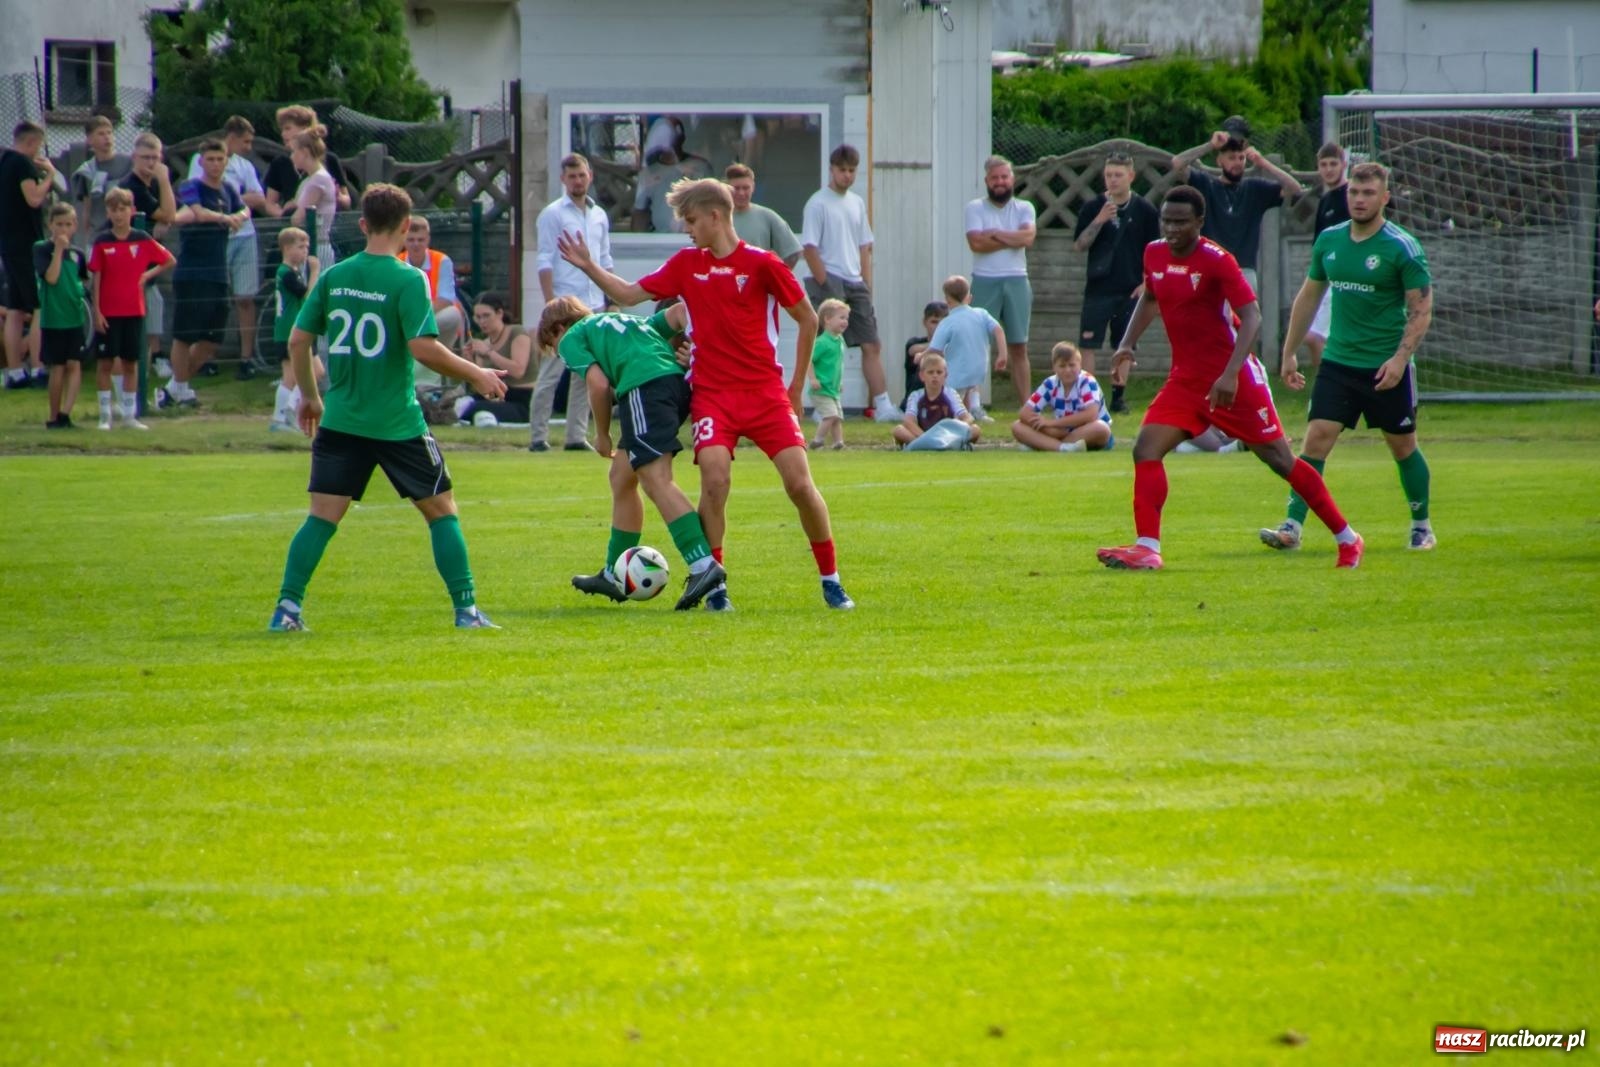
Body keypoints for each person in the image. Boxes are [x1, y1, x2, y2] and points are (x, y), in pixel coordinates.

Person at [559, 176, 856, 611]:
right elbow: (626, 294)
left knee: (799, 484)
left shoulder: (764, 264)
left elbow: (808, 319)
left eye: (692, 220)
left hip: (765, 393)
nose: (687, 229)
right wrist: (588, 265)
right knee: (714, 483)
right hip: (712, 394)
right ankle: (716, 588)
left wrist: (794, 387)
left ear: (716, 216)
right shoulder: (685, 264)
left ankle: (831, 580)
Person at [269, 183, 508, 633]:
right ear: (404, 228)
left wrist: (310, 396)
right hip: (397, 424)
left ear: (362, 225)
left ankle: (287, 610)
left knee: (321, 518)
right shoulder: (408, 278)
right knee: (442, 510)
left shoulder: (335, 276)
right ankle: (467, 611)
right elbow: (423, 348)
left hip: (340, 419)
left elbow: (298, 340)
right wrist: (476, 374)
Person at [1097, 185, 1364, 571]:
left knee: (1279, 459)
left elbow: (1251, 316)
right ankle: (1148, 548)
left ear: (1199, 223)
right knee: (1146, 449)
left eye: (1181, 222)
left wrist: (1229, 374)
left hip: (1236, 378)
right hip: (1186, 380)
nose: (1171, 229)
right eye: (1166, 220)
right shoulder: (1154, 252)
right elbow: (1151, 297)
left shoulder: (1218, 260)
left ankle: (1347, 537)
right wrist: (1126, 344)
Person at [1265, 161, 1436, 553]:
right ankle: (1292, 526)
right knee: (1316, 439)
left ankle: (1421, 525)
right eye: (1354, 193)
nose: (1359, 200)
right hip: (1338, 362)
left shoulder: (1401, 247)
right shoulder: (1329, 240)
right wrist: (1288, 352)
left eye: (1368, 193)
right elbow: (1308, 297)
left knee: (1402, 445)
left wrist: (1399, 360)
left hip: (1384, 366)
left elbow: (1421, 310)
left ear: (1385, 198)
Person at [538, 294, 726, 611]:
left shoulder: (572, 338)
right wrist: (696, 347)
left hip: (644, 389)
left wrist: (601, 435)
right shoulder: (628, 321)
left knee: (656, 478)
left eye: (552, 347)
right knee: (622, 476)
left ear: (557, 328)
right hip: (674, 386)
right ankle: (613, 574)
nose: (560, 354)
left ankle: (702, 565)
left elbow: (597, 386)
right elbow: (682, 310)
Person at [801, 144, 899, 422]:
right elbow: (809, 248)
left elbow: (864, 245)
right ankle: (824, 408)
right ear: (831, 169)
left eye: (851, 170)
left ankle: (883, 406)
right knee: (827, 344)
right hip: (829, 278)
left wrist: (866, 283)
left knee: (872, 343)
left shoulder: (856, 202)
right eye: (842, 170)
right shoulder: (817, 203)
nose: (847, 176)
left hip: (855, 281)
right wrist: (824, 281)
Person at [1169, 116, 1303, 292]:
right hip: (1210, 268)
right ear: (1220, 160)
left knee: (1245, 318)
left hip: (1243, 271)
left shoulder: (1255, 188)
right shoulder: (1206, 184)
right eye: (1232, 158)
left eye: (1241, 158)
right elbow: (1177, 163)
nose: (1237, 163)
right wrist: (1210, 145)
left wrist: (1263, 163)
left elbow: (1294, 188)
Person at [160, 139, 247, 409]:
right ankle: (182, 388)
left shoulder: (229, 189)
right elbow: (196, 212)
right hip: (191, 273)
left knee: (211, 340)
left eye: (220, 159)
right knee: (185, 336)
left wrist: (239, 217)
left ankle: (175, 387)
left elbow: (244, 208)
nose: (215, 164)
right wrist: (225, 219)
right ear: (201, 161)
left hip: (219, 274)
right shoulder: (190, 186)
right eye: (210, 159)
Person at [1073, 151, 1159, 414]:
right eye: (1109, 175)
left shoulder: (1145, 210)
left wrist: (1147, 283)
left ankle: (1118, 396)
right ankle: (1089, 398)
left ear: (1131, 176)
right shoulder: (1092, 207)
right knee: (1088, 343)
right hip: (1099, 286)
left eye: (1118, 175)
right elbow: (1079, 245)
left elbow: (1154, 249)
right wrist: (1099, 220)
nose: (1113, 180)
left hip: (1130, 287)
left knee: (1124, 344)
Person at [531, 153, 606, 451]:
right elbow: (544, 259)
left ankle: (576, 437)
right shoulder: (553, 214)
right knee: (551, 371)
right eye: (571, 176)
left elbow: (605, 260)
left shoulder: (599, 214)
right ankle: (538, 436)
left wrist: (610, 298)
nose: (577, 181)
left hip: (593, 304)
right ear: (563, 180)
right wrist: (551, 304)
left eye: (581, 175)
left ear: (590, 176)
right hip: (564, 305)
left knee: (585, 373)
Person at [186, 116, 269, 378]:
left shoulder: (244, 166)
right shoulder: (197, 166)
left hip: (243, 236)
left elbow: (257, 198)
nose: (248, 147)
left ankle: (246, 359)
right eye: (245, 141)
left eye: (219, 160)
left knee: (245, 299)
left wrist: (228, 201)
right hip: (213, 240)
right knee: (211, 299)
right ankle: (204, 358)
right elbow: (193, 196)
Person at [88, 187, 174, 430]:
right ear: (108, 212)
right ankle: (105, 415)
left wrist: (148, 274)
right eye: (114, 210)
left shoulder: (141, 238)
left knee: (130, 363)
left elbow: (168, 260)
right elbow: (97, 277)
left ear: (132, 210)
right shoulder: (102, 241)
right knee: (105, 363)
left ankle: (129, 414)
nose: (119, 214)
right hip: (109, 312)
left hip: (133, 311)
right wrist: (97, 311)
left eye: (123, 209)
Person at [965, 155, 1036, 402]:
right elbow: (976, 243)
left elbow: (1027, 239)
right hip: (984, 280)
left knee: (1019, 346)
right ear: (986, 180)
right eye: (994, 178)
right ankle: (972, 404)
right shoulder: (975, 207)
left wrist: (995, 234)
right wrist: (1011, 238)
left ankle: (1026, 406)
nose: (1000, 182)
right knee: (976, 344)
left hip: (1017, 280)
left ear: (1012, 179)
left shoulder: (1025, 208)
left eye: (1004, 177)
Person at [120, 132, 178, 377]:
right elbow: (166, 214)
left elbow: (171, 214)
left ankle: (154, 357)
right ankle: (140, 365)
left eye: (155, 158)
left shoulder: (150, 184)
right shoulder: (132, 186)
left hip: (147, 260)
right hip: (128, 260)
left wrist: (165, 221)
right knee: (138, 315)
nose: (151, 163)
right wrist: (165, 181)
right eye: (145, 157)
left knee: (155, 304)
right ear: (134, 157)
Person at [2, 122, 55, 389]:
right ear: (32, 142)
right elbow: (33, 199)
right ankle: (37, 367)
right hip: (26, 245)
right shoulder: (23, 164)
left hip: (8, 244)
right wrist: (49, 177)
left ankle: (14, 371)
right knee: (38, 306)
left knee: (15, 309)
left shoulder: (3, 163)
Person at [34, 204, 89, 427]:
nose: (63, 229)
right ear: (50, 225)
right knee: (57, 366)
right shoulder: (41, 248)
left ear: (74, 226)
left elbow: (82, 281)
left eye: (68, 224)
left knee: (74, 364)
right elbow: (52, 278)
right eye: (59, 225)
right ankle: (54, 415)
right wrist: (58, 250)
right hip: (54, 318)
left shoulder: (78, 254)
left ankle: (66, 414)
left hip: (74, 317)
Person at [923, 275, 1005, 422]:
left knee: (954, 397)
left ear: (947, 300)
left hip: (958, 370)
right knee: (972, 385)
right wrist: (1002, 354)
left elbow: (934, 349)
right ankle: (975, 409)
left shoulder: (947, 322)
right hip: (979, 367)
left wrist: (921, 356)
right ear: (969, 297)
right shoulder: (981, 313)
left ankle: (956, 417)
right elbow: (998, 330)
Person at [1300, 142, 1351, 371]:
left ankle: (1329, 388)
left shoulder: (1352, 197)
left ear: (1344, 164)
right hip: (1327, 277)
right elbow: (1319, 245)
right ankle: (1333, 389)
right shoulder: (1325, 200)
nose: (1329, 169)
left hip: (1346, 276)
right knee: (1318, 336)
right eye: (1324, 164)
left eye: (1334, 164)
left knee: (1314, 336)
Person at [1011, 341, 1113, 453]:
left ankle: (1042, 445)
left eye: (1072, 365)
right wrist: (1047, 428)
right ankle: (1063, 448)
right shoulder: (1050, 384)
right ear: (1054, 367)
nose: (1068, 370)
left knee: (1101, 428)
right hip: (1060, 431)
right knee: (1017, 426)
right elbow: (1024, 413)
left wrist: (1051, 423)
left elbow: (1091, 415)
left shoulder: (1087, 381)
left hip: (1086, 430)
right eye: (1062, 366)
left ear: (1080, 365)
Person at [268, 226, 321, 431]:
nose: (305, 251)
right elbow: (307, 297)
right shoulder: (286, 273)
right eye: (301, 246)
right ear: (287, 248)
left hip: (298, 331)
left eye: (307, 246)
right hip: (287, 332)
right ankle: (279, 419)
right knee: (290, 377)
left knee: (317, 371)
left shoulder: (294, 272)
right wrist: (315, 272)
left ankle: (291, 407)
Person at [456, 291, 536, 426]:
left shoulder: (516, 333)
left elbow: (518, 370)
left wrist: (489, 353)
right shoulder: (485, 343)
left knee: (475, 408)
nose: (482, 322)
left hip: (523, 399)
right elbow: (483, 384)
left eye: (486, 316)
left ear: (499, 313)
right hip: (498, 397)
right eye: (478, 317)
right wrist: (470, 362)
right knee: (463, 403)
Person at [263, 106, 352, 217]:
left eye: (287, 128)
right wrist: (285, 215)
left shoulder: (330, 160)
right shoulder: (280, 163)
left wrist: (337, 196)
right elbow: (270, 204)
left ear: (305, 128)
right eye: (282, 130)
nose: (283, 134)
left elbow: (347, 202)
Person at [397, 216, 464, 351]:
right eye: (411, 240)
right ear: (404, 240)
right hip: (406, 319)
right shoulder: (397, 262)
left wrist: (417, 316)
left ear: (428, 239)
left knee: (452, 314)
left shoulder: (442, 261)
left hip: (433, 316)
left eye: (420, 240)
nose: (416, 244)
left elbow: (445, 300)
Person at [893, 352, 980, 449]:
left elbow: (968, 418)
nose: (935, 376)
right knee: (899, 430)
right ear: (922, 376)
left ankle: (922, 446)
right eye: (930, 372)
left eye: (939, 372)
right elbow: (908, 421)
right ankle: (930, 445)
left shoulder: (951, 394)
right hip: (922, 435)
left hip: (948, 436)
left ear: (945, 375)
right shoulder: (915, 396)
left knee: (975, 430)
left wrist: (955, 428)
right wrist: (926, 437)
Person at [69, 115, 131, 247]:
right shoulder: (87, 170)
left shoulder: (128, 163)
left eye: (109, 133)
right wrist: (86, 240)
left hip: (125, 232)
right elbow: (87, 207)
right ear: (90, 140)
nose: (107, 137)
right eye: (101, 134)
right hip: (99, 234)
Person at [726, 163, 801, 267]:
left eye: (746, 188)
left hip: (757, 281)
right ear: (727, 188)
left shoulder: (767, 217)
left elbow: (793, 253)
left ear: (753, 187)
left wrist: (777, 278)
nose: (741, 193)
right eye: (736, 188)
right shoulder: (717, 217)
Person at [287, 131, 338, 267]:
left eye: (293, 152)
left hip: (317, 248)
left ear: (304, 152)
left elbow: (298, 218)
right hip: (308, 247)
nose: (291, 157)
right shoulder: (310, 179)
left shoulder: (319, 179)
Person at [808, 297, 849, 450]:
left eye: (846, 318)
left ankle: (839, 443)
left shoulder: (839, 340)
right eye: (841, 317)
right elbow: (808, 360)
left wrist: (840, 382)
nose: (845, 321)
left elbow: (837, 365)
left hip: (832, 389)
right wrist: (812, 378)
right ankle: (817, 441)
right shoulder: (822, 342)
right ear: (827, 319)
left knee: (837, 418)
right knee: (830, 416)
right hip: (821, 389)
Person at [903, 299, 946, 398]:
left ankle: (974, 405)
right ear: (924, 322)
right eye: (934, 322)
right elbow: (913, 350)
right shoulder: (914, 343)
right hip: (915, 403)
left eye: (943, 322)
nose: (938, 327)